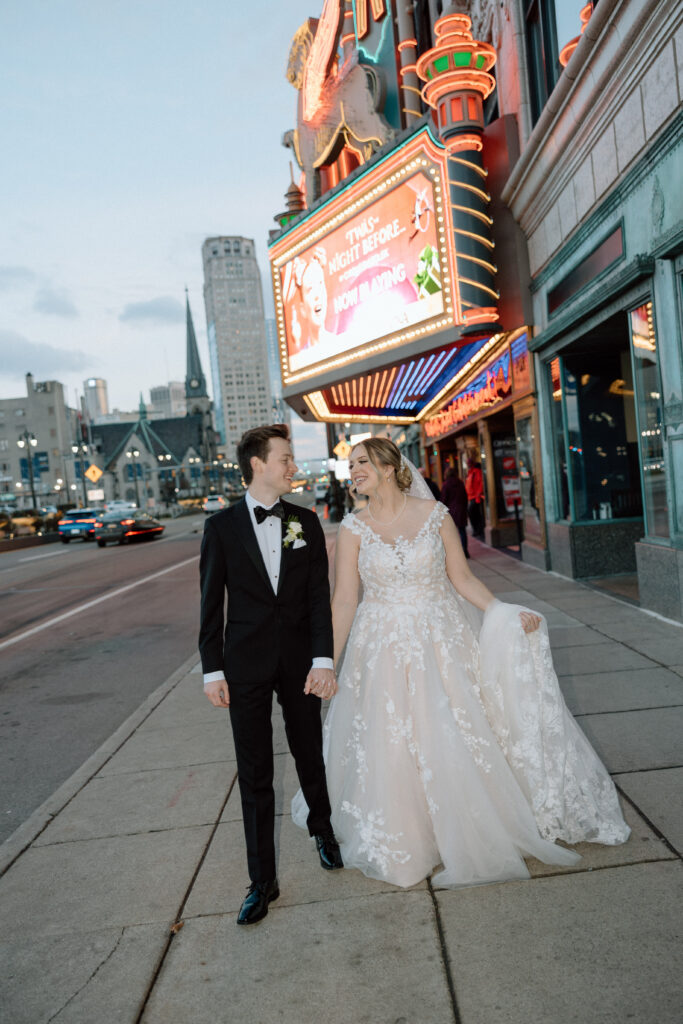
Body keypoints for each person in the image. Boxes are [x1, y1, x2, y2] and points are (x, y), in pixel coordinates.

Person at [292, 438, 629, 889]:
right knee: (391, 742)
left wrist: (501, 613)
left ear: (389, 467)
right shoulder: (352, 528)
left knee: (447, 728)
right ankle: (409, 832)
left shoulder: (436, 517)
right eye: (350, 465)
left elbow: (462, 578)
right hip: (381, 648)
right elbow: (345, 600)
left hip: (440, 638)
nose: (352, 471)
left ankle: (463, 824)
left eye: (361, 463)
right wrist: (326, 663)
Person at [199, 424, 343, 926]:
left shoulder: (305, 520)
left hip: (301, 661)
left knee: (309, 752)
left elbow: (318, 601)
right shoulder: (220, 528)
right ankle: (262, 881)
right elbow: (210, 607)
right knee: (255, 772)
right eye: (285, 458)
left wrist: (322, 659)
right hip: (244, 667)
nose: (292, 467)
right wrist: (211, 670)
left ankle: (323, 831)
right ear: (258, 464)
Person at [440, 465, 469, 558]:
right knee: (462, 531)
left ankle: (455, 552)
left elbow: (444, 499)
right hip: (460, 510)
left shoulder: (446, 484)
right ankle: (465, 550)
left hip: (451, 511)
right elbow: (465, 496)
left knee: (451, 533)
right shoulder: (460, 483)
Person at [465, 456, 485, 539]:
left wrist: (478, 494)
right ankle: (477, 530)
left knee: (473, 513)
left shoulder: (476, 471)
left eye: (469, 463)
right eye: (467, 463)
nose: (468, 464)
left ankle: (478, 530)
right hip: (471, 497)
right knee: (474, 514)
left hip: (476, 497)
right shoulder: (470, 472)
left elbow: (480, 483)